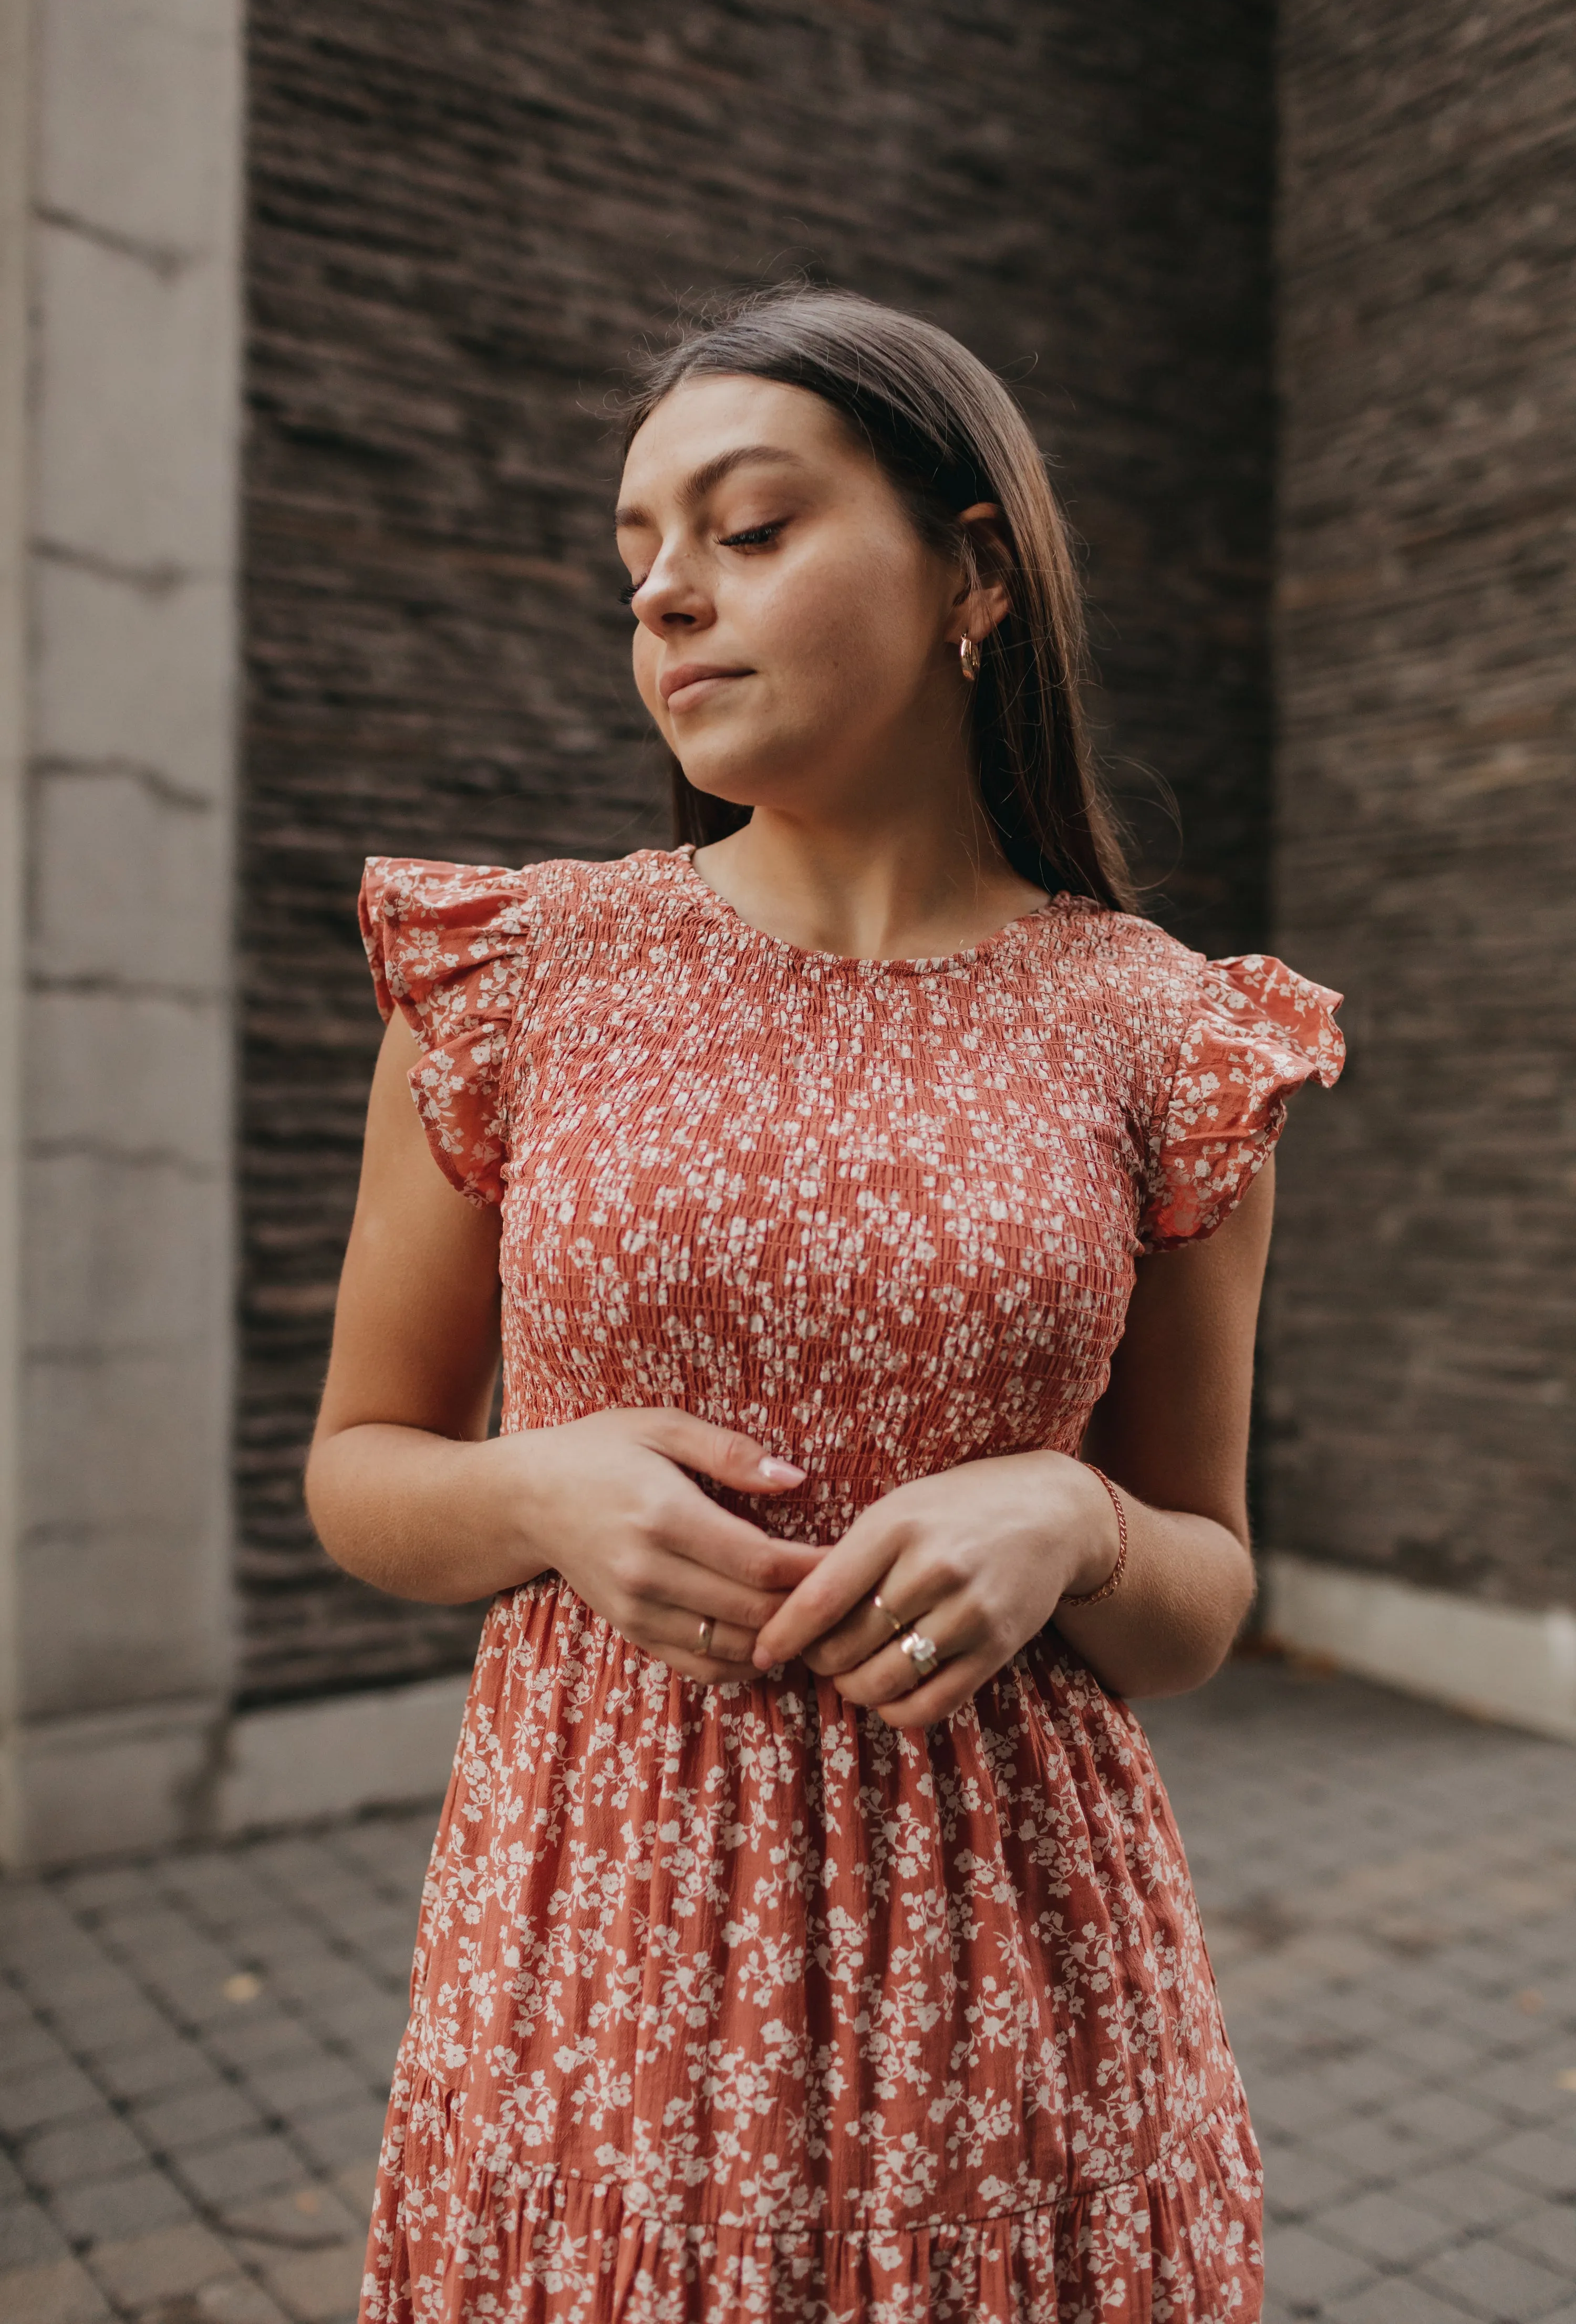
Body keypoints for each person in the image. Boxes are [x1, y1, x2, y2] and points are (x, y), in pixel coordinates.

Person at [308, 284, 1343, 2324]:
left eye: (749, 529)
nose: (668, 600)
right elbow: (362, 1470)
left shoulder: (1168, 1036)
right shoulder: (523, 977)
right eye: (637, 559)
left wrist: (1080, 1521)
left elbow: (1206, 1592)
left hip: (1026, 1986)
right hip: (602, 1961)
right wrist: (537, 1495)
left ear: (972, 571)